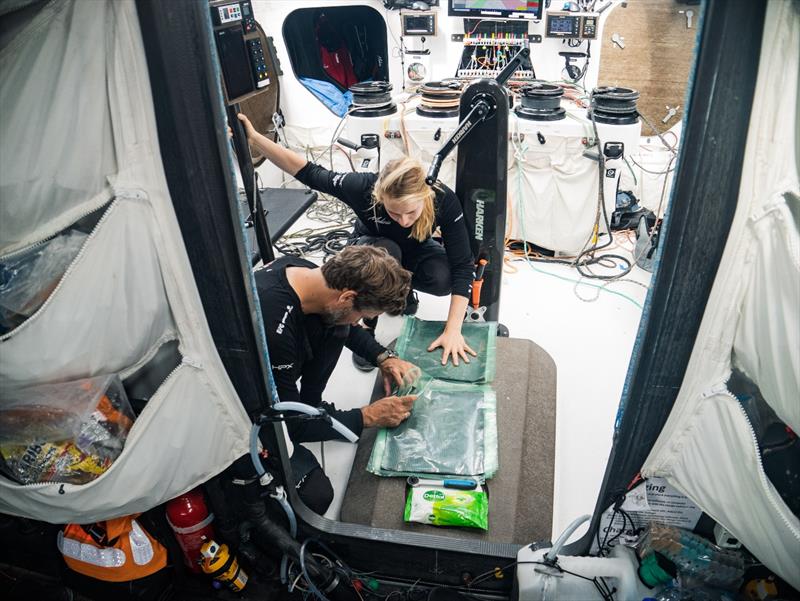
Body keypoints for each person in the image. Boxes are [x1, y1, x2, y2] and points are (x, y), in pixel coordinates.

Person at [238, 113, 478, 369]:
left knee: (444, 276)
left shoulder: (443, 199)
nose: (404, 221)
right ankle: (367, 324)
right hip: (373, 248)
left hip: (416, 250)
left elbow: (464, 265)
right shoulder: (362, 188)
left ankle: (403, 291)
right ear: (379, 196)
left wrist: (454, 329)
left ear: (425, 196)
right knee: (387, 251)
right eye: (394, 212)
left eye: (412, 212)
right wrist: (255, 139)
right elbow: (308, 172)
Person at [256, 246, 419, 514]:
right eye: (364, 316)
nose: (361, 321)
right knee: (316, 496)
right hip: (247, 409)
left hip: (284, 372)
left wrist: (383, 357)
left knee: (337, 325)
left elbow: (348, 325)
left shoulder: (309, 274)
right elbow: (288, 425)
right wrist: (365, 417)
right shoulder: (274, 329)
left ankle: (313, 408)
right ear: (347, 297)